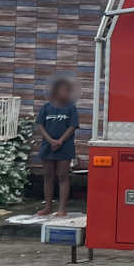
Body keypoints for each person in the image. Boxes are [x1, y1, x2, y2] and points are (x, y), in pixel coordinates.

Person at [35, 77, 79, 217]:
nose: (64, 93)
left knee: (62, 176)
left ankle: (61, 209)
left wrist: (60, 141)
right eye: (61, 90)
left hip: (65, 146)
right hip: (47, 146)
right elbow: (40, 125)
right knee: (48, 176)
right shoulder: (46, 107)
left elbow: (72, 126)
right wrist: (50, 141)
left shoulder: (71, 108)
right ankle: (47, 206)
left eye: (66, 90)